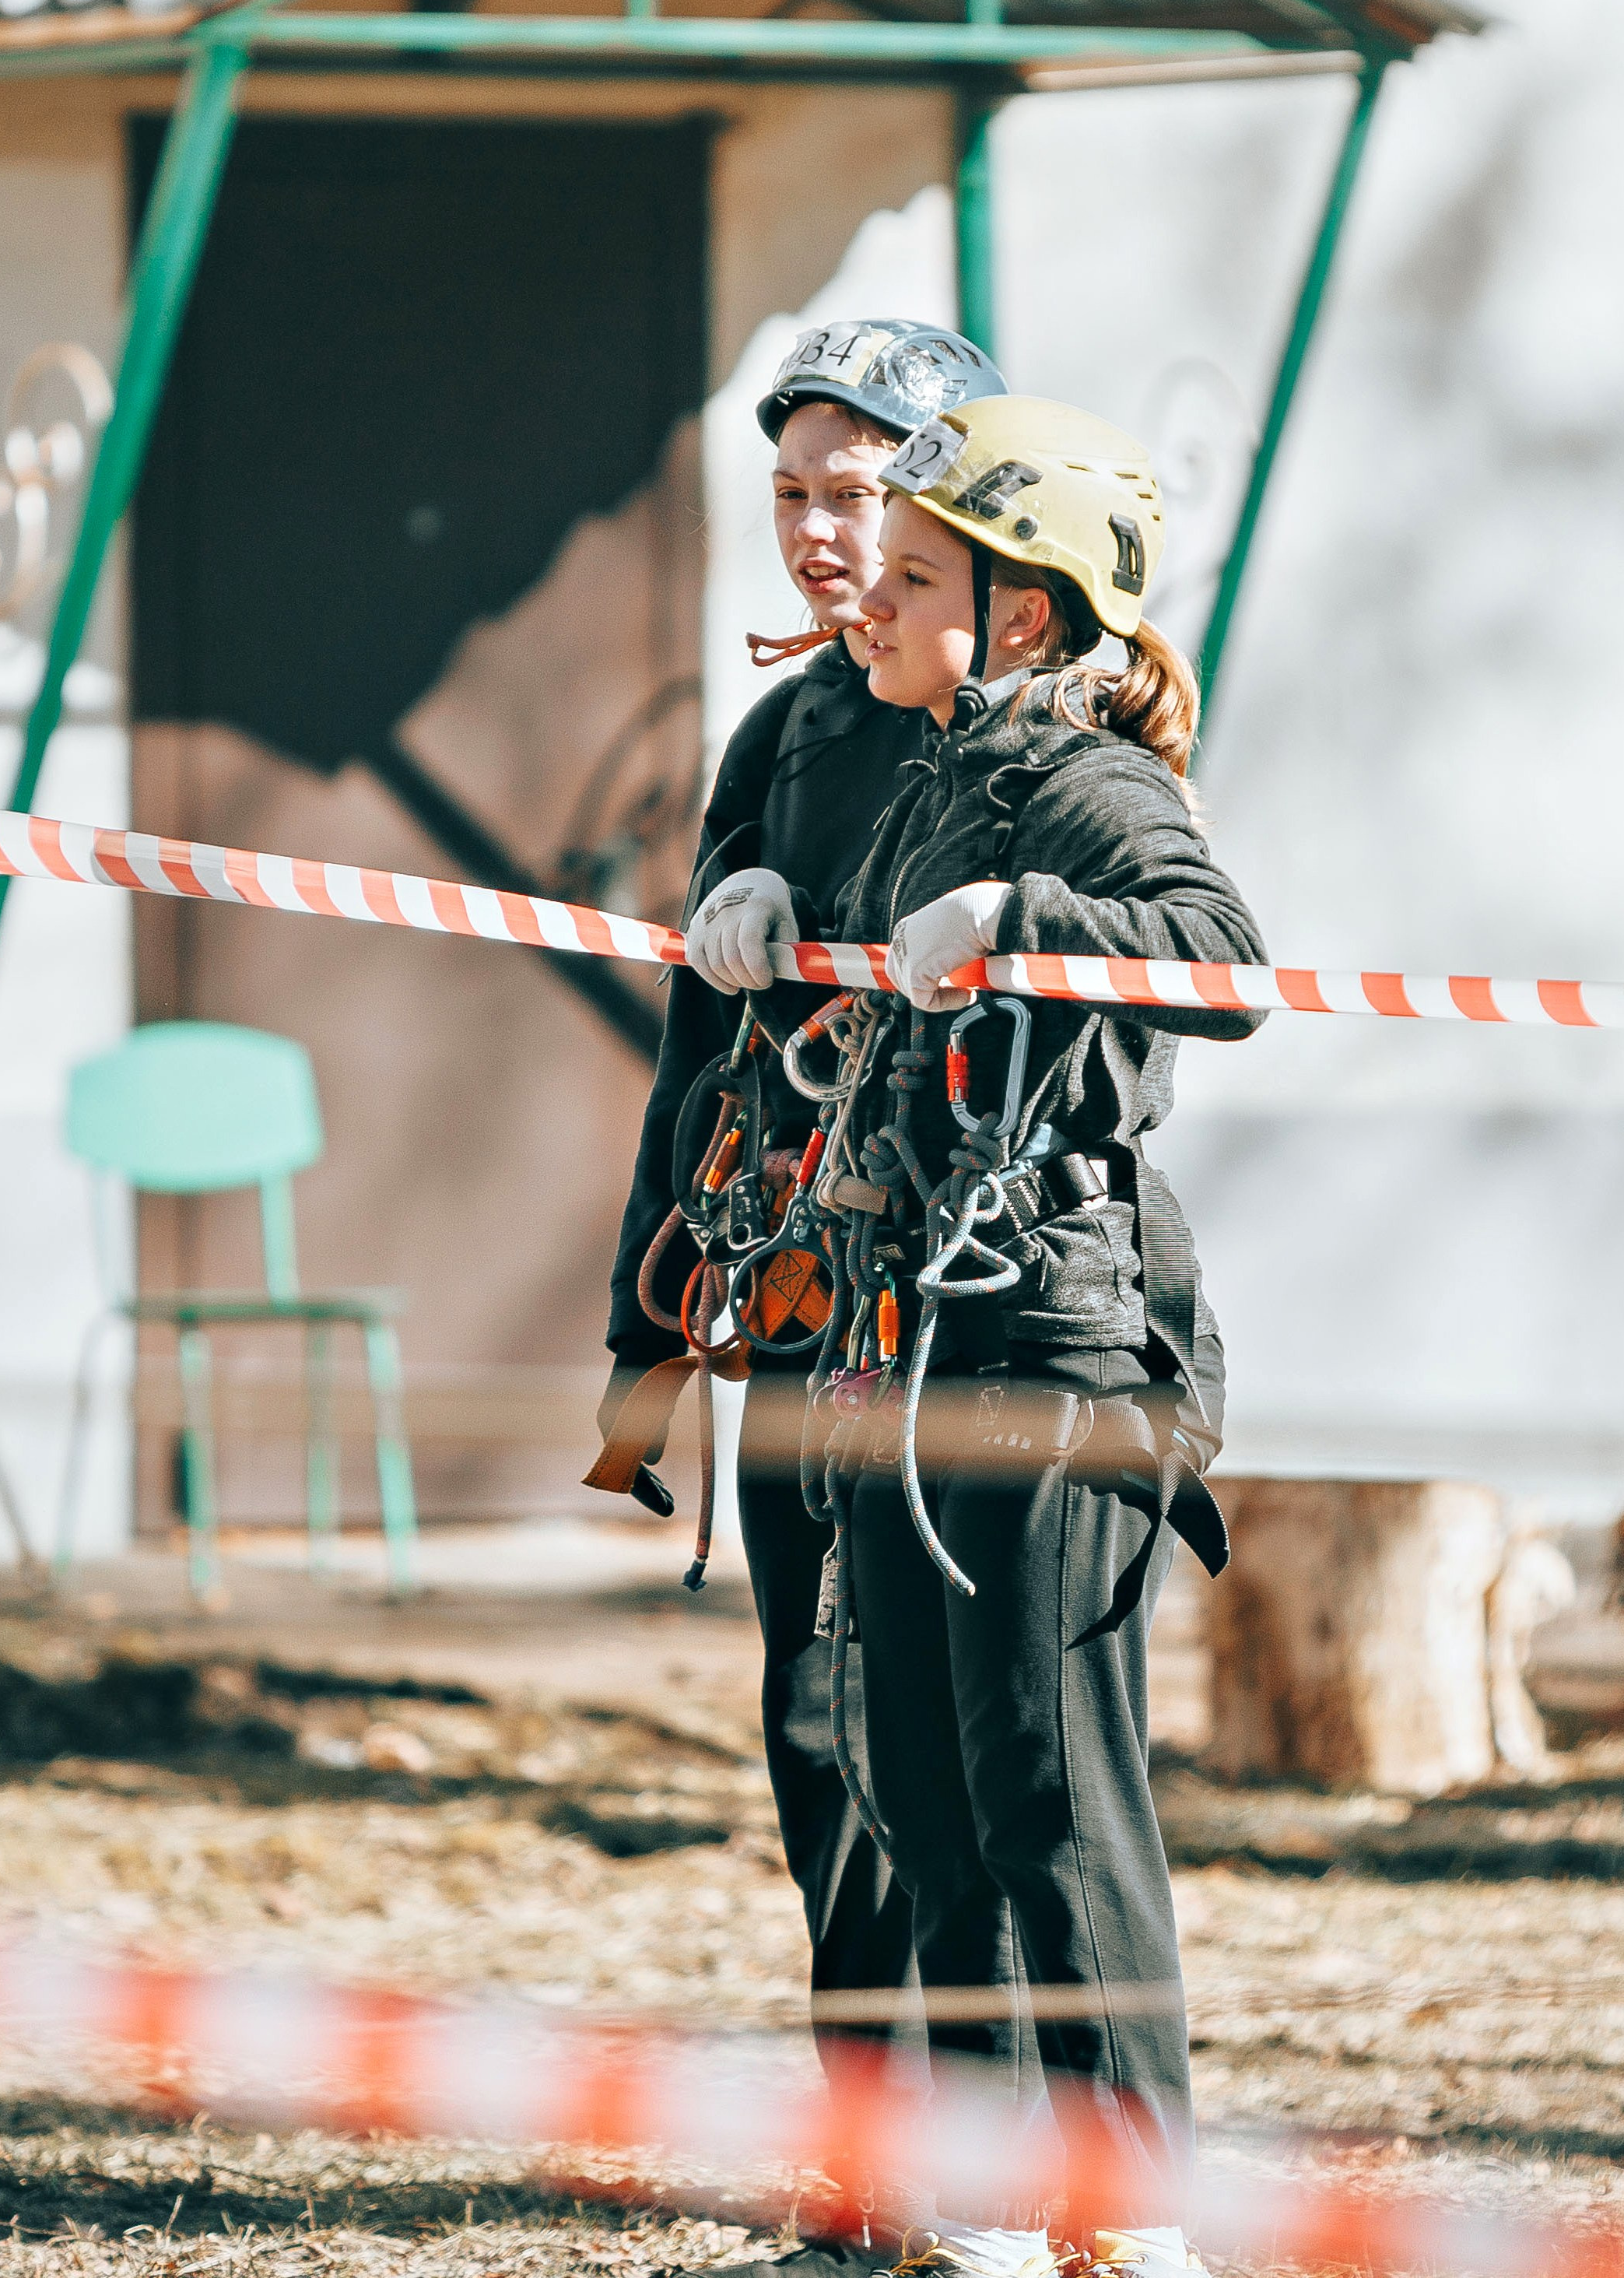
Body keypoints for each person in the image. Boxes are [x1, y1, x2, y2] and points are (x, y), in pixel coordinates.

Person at [683, 395, 1267, 2278]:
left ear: (1019, 615)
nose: (869, 589)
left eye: (915, 569)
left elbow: (1222, 955)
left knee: (1052, 1799)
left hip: (1056, 1354)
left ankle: (1138, 2217)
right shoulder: (914, 762)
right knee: (923, 1792)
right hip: (903, 1343)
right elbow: (850, 991)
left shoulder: (1081, 785)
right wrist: (759, 910)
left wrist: (1030, 909)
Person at [595, 320, 1008, 2265]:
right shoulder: (783, 734)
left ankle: (1011, 2157)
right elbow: (697, 1067)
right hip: (794, 1310)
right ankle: (866, 2161)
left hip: (978, 1320)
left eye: (858, 496)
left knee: (962, 1746)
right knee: (820, 1727)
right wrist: (642, 1342)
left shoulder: (1029, 731)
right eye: (792, 498)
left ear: (950, 499)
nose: (820, 537)